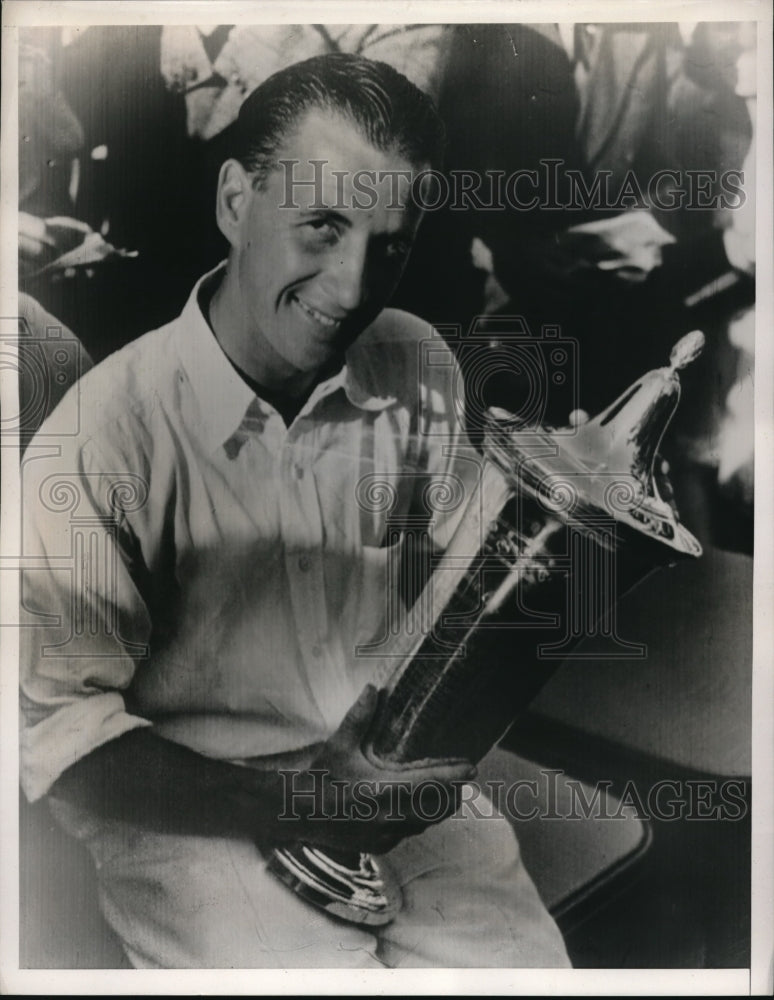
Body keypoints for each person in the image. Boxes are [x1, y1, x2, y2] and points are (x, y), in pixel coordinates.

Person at [20, 54, 569, 969]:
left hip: (392, 781)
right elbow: (54, 739)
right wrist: (296, 806)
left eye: (387, 243)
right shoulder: (103, 438)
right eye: (321, 226)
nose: (353, 289)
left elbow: (463, 576)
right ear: (235, 202)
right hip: (196, 818)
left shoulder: (415, 359)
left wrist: (551, 503)